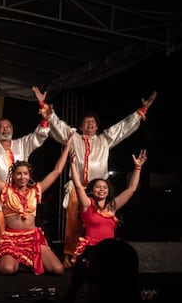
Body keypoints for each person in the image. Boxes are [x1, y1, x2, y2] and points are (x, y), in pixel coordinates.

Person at [36, 86, 156, 267]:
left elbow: (122, 128)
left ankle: (101, 253)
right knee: (73, 221)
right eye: (86, 122)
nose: (89, 125)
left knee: (100, 222)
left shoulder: (105, 139)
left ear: (97, 126)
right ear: (81, 125)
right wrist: (44, 105)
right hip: (79, 187)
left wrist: (141, 112)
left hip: (99, 190)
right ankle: (69, 254)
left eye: (92, 122)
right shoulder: (73, 137)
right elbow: (58, 124)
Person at [0, 126, 74, 275]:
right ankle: (16, 259)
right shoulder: (6, 190)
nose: (22, 177)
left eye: (25, 174)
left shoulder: (36, 190)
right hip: (12, 239)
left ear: (29, 175)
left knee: (58, 270)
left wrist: (67, 147)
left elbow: (56, 172)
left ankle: (28, 259)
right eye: (18, 174)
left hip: (32, 238)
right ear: (13, 176)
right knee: (7, 270)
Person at [0, 106, 51, 264]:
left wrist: (44, 119)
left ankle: (17, 254)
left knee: (16, 225)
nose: (5, 129)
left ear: (12, 130)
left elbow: (38, 137)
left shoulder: (21, 143)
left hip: (19, 192)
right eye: (1, 127)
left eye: (8, 127)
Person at [68, 149, 147, 264]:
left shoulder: (112, 207)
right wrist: (72, 164)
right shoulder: (87, 204)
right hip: (92, 249)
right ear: (92, 190)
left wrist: (137, 167)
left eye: (105, 187)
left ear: (108, 191)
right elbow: (79, 187)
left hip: (110, 249)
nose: (102, 189)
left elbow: (131, 189)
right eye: (98, 187)